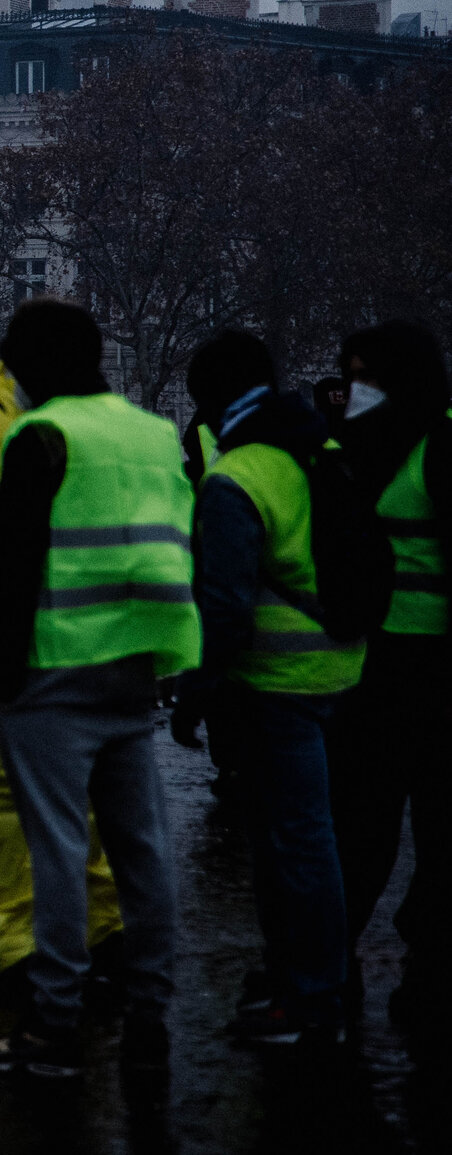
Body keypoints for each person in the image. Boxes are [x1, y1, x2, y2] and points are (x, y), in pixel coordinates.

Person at [0, 299, 193, 1078]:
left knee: (56, 850)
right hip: (134, 668)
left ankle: (52, 1026)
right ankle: (151, 1012)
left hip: (51, 670)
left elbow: (18, 569)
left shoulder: (39, 435)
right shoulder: (155, 432)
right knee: (142, 848)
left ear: (33, 365)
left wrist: (7, 680)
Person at [171, 330, 362, 1046]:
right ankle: (312, 981)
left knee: (294, 844)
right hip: (342, 667)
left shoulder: (239, 475)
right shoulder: (320, 447)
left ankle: (309, 998)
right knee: (318, 838)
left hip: (276, 680)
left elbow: (223, 607)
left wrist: (196, 693)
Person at [0, 350, 121, 994]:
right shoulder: (0, 423)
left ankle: (26, 937)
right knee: (44, 793)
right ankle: (76, 930)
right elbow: (11, 511)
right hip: (39, 634)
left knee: (18, 796)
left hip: (14, 632)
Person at [328, 318, 448, 1033]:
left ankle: (429, 954)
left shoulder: (437, 446)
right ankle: (333, 948)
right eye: (349, 376)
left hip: (430, 667)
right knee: (362, 821)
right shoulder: (354, 449)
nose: (354, 389)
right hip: (372, 665)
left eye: (367, 375)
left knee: (434, 821)